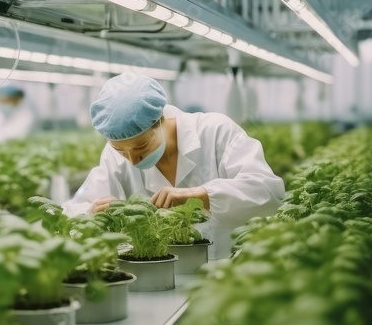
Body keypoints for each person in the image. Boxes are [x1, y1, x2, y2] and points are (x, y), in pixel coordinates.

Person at [63, 73, 286, 259]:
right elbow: (74, 209)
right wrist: (92, 212)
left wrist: (200, 195)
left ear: (160, 120)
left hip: (226, 269)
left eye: (141, 147)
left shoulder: (216, 131)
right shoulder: (114, 157)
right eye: (121, 150)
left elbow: (268, 192)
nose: (132, 160)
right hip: (157, 279)